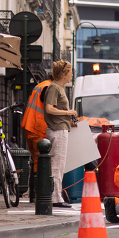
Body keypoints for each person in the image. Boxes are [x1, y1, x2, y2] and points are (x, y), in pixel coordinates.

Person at [42, 61, 79, 209]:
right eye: (70, 72)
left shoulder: (59, 87)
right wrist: (68, 112)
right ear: (64, 74)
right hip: (57, 130)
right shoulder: (54, 87)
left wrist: (69, 121)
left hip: (61, 127)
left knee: (59, 164)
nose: (71, 74)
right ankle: (55, 197)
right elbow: (49, 109)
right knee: (57, 165)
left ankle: (56, 195)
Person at [20, 76, 53, 202]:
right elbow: (49, 107)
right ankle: (39, 195)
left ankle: (34, 195)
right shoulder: (48, 87)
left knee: (35, 161)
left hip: (30, 126)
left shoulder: (41, 85)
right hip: (38, 127)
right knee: (40, 163)